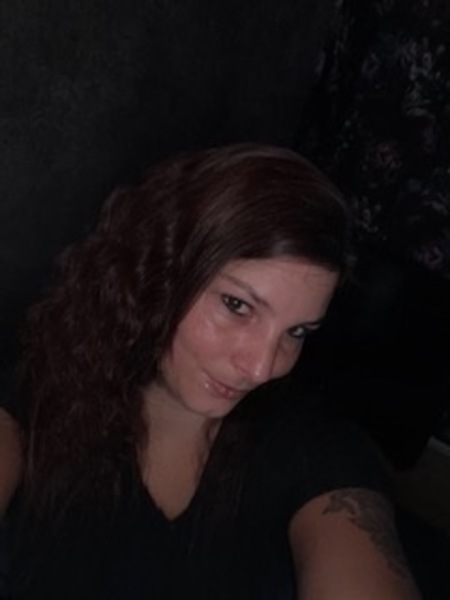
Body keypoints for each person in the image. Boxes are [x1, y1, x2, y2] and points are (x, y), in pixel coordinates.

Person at [8, 143, 420, 599]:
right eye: (237, 305)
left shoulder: (311, 451)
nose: (262, 367)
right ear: (161, 268)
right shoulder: (32, 392)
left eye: (297, 331)